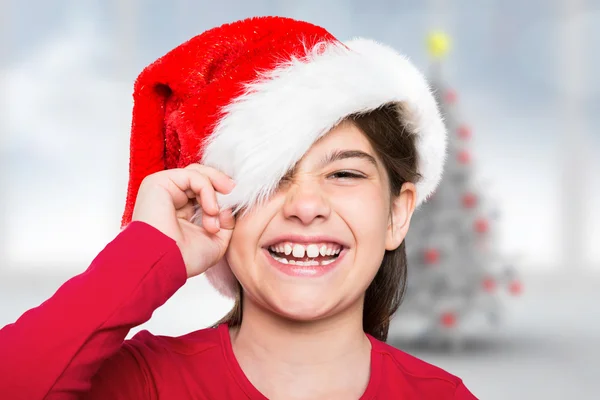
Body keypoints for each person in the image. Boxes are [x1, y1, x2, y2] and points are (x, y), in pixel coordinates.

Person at [0, 16, 478, 400]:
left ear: (398, 214)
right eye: (269, 178)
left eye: (344, 174)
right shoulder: (143, 384)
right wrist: (146, 253)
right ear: (217, 205)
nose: (306, 206)